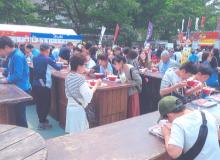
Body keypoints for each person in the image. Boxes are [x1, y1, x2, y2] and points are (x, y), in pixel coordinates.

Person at [65, 53, 101, 134]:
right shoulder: (80, 79)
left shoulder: (68, 76)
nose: (85, 67)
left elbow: (67, 94)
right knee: (81, 135)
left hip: (70, 109)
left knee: (73, 134)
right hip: (79, 111)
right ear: (79, 66)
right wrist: (96, 84)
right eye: (84, 65)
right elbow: (88, 97)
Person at [0, 36, 31, 127]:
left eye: (0, 50)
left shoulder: (17, 56)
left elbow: (17, 75)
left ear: (6, 47)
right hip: (18, 88)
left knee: (20, 117)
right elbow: (12, 70)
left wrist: (4, 80)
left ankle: (25, 136)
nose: (0, 53)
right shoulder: (13, 55)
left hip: (21, 90)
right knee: (17, 115)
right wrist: (3, 70)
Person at [33, 43, 62, 130]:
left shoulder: (35, 58)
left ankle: (42, 120)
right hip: (44, 84)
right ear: (47, 50)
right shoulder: (47, 59)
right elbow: (57, 67)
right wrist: (61, 65)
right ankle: (42, 123)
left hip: (36, 83)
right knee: (46, 103)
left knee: (39, 103)